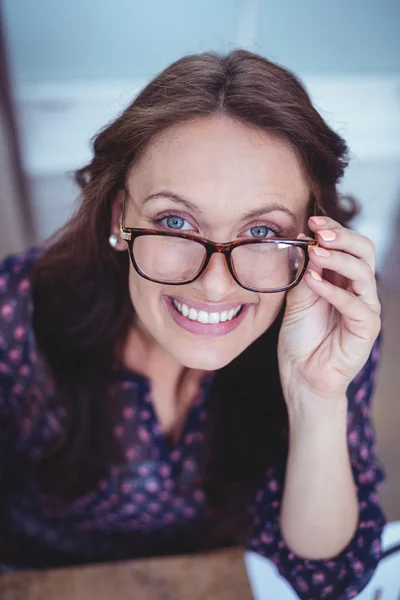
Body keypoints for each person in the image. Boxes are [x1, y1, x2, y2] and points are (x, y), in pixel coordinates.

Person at [0, 49, 386, 599]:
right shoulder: (14, 314)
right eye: (175, 222)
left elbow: (328, 577)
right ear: (119, 218)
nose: (214, 285)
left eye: (260, 234)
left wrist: (316, 397)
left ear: (309, 242)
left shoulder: (330, 322)